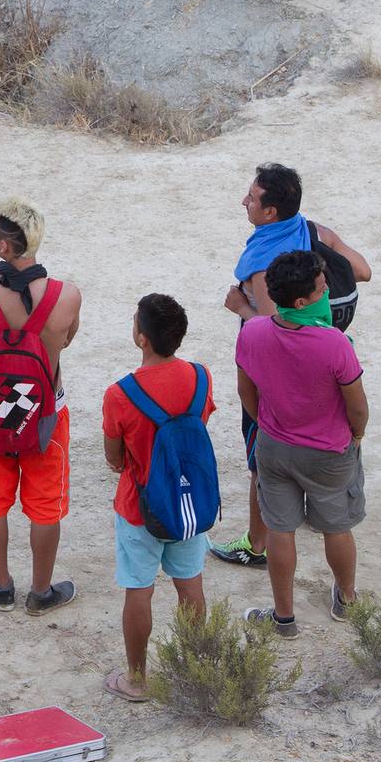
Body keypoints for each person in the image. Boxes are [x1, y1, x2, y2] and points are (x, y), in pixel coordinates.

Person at [211, 162, 371, 567]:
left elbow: (271, 327)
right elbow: (363, 271)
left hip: (277, 377)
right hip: (324, 364)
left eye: (252, 198)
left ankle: (255, 544)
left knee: (260, 461)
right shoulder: (314, 231)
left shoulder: (267, 262)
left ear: (271, 213)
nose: (243, 201)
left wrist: (241, 306)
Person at [0, 198, 83, 616]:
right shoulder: (67, 296)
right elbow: (65, 342)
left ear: (3, 247)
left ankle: (1, 585)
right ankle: (41, 591)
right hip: (45, 413)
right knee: (45, 505)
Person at [236, 251, 369, 636]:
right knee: (337, 527)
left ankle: (284, 618)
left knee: (281, 530)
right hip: (329, 452)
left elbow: (246, 389)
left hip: (276, 446)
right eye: (321, 288)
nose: (327, 291)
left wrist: (266, 422)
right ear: (301, 302)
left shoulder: (254, 332)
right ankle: (346, 600)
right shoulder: (334, 344)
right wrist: (356, 437)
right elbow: (357, 407)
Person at [101, 294, 214, 701]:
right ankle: (197, 669)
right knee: (190, 586)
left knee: (139, 589)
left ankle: (137, 678)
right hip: (189, 505)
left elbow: (114, 454)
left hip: (140, 506)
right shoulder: (201, 377)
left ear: (142, 338)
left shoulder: (120, 394)